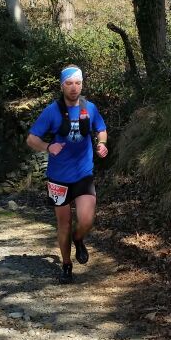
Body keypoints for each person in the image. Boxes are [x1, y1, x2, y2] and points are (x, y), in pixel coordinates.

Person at [26, 65, 108, 282]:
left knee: (86, 219)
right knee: (63, 223)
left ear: (82, 85)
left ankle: (78, 239)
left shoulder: (89, 108)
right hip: (58, 178)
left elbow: (101, 129)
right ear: (62, 85)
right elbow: (31, 139)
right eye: (69, 83)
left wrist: (102, 144)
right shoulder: (51, 111)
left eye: (78, 83)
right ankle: (66, 266)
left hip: (83, 174)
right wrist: (47, 147)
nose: (74, 88)